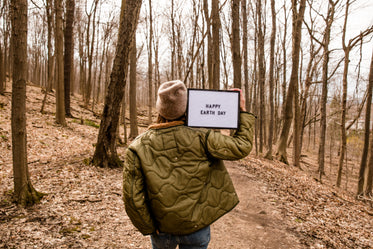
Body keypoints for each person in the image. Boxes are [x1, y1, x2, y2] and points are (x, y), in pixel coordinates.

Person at [123, 80, 255, 249]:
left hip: (161, 231)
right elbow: (241, 146)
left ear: (160, 108)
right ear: (187, 106)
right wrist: (242, 112)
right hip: (196, 228)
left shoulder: (137, 146)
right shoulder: (203, 136)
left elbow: (132, 198)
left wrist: (148, 227)